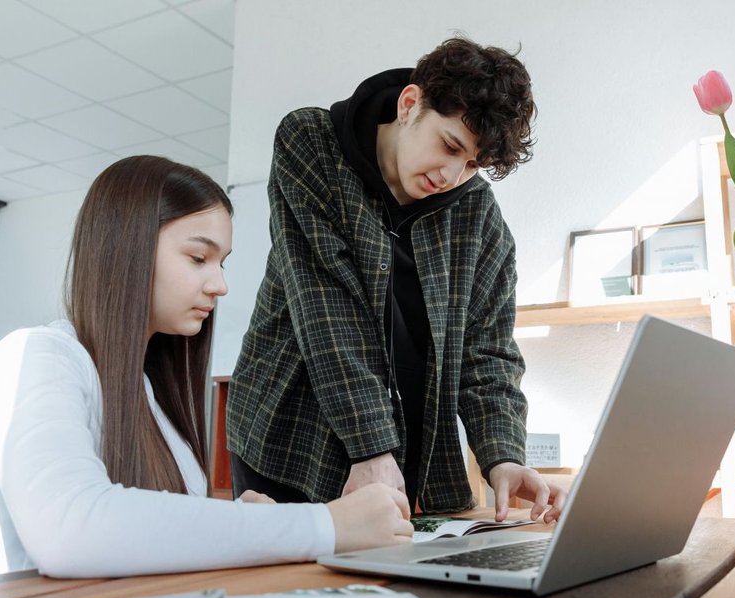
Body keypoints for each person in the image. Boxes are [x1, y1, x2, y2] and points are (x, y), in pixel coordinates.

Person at [0, 156, 412, 578]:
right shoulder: (36, 356)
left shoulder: (150, 393)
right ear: (126, 247)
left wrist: (247, 524)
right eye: (198, 258)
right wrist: (324, 525)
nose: (220, 285)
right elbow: (69, 530)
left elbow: (155, 533)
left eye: (221, 263)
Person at [227, 37, 566, 522]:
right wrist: (369, 448)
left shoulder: (479, 219)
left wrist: (503, 455)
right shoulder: (313, 142)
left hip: (401, 451)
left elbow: (488, 352)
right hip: (290, 437)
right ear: (410, 104)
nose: (452, 174)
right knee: (298, 590)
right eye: (449, 145)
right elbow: (326, 305)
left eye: (473, 164)